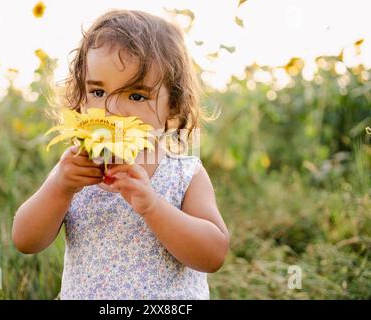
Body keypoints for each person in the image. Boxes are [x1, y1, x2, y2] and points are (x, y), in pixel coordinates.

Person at [12, 9, 229, 299]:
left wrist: (152, 206)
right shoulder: (75, 169)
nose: (111, 110)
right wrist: (59, 188)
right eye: (98, 93)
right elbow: (26, 240)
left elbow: (212, 254)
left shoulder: (181, 173)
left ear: (174, 106)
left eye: (136, 96)